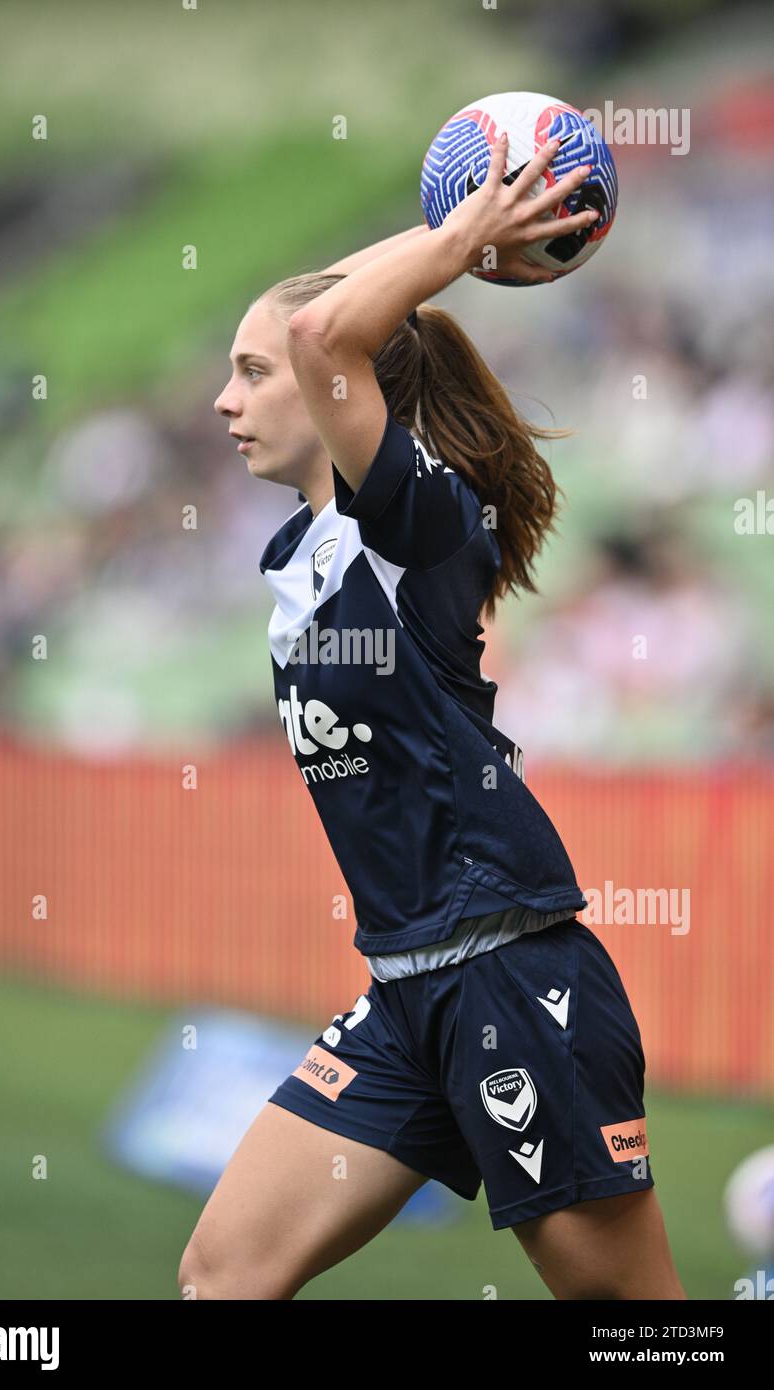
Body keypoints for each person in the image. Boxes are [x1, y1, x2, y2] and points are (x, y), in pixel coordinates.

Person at [181, 133, 686, 1300]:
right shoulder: (308, 549)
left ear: (328, 385)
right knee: (220, 1276)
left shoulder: (418, 521)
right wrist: (452, 225)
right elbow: (320, 317)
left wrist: (465, 238)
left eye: (250, 372)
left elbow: (323, 331)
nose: (222, 398)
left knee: (634, 1319)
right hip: (405, 983)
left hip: (510, 973)